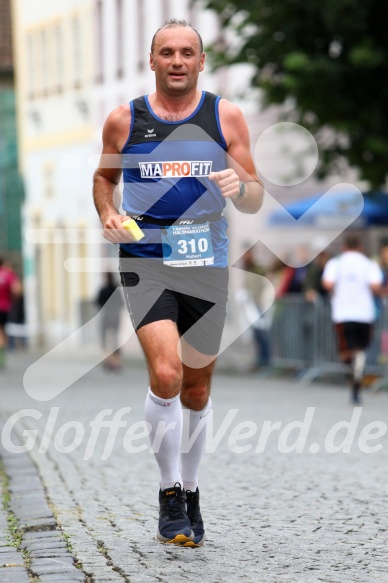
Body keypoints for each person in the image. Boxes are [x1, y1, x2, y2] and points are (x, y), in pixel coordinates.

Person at [93, 19, 263, 547]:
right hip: (145, 258)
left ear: (201, 61)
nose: (177, 61)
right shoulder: (125, 120)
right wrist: (107, 211)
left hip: (206, 261)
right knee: (166, 373)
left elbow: (255, 194)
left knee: (197, 387)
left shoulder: (225, 116)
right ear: (152, 61)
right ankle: (169, 494)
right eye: (166, 52)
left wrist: (242, 186)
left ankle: (191, 489)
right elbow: (104, 179)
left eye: (187, 52)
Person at [322, 235, 383, 404]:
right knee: (360, 348)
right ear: (360, 246)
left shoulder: (336, 263)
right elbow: (376, 286)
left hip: (343, 312)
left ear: (344, 247)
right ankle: (357, 373)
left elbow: (327, 283)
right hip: (364, 313)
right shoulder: (369, 264)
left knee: (346, 350)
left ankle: (353, 376)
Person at [240, 246, 272, 372]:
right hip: (251, 306)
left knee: (263, 334)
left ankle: (266, 361)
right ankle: (259, 360)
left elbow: (266, 285)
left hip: (260, 305)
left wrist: (265, 301)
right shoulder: (246, 270)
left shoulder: (258, 269)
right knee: (256, 335)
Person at [96, 272, 124, 371]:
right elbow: (121, 304)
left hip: (106, 317)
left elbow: (98, 303)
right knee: (115, 340)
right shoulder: (116, 290)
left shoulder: (103, 290)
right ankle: (116, 362)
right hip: (116, 317)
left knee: (105, 340)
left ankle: (108, 361)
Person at [0, 258, 22, 368]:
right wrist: (15, 299)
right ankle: (3, 354)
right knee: (3, 330)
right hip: (4, 307)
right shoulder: (8, 275)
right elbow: (17, 289)